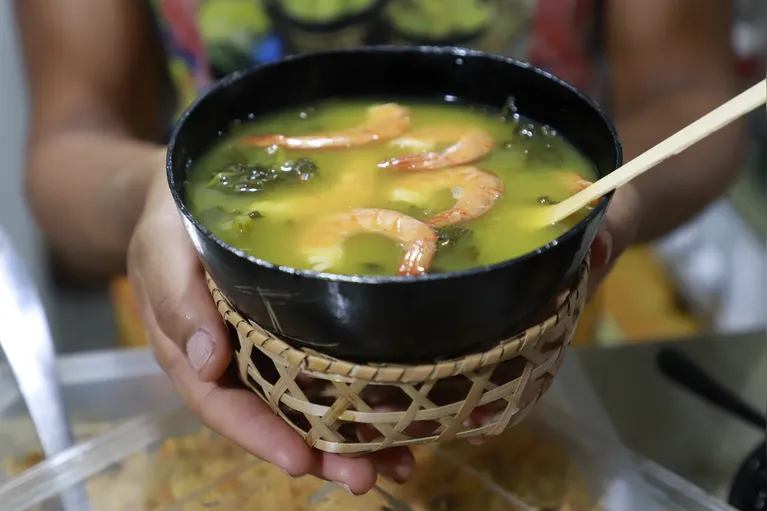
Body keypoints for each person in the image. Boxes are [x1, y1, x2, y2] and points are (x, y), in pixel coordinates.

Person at [17, 0, 743, 496]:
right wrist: (151, 187)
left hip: (540, 350)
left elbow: (690, 96)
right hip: (230, 335)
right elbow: (64, 144)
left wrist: (622, 194)